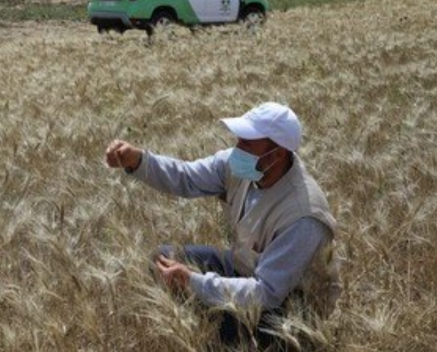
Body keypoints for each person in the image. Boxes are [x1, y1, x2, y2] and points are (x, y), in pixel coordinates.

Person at [105, 102, 340, 349]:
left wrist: (193, 282)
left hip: (288, 309)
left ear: (278, 153)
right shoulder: (242, 165)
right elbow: (186, 177)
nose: (237, 149)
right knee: (164, 258)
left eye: (247, 143)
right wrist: (138, 160)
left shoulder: (303, 216)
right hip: (245, 269)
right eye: (239, 140)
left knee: (221, 324)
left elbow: (267, 294)